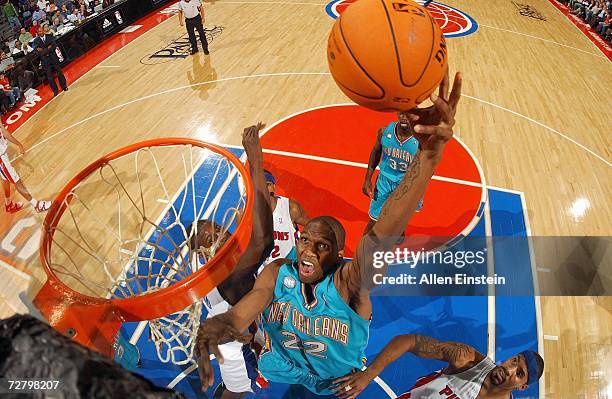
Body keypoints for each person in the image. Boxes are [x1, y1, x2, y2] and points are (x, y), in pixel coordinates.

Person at [196, 73, 463, 396]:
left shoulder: (349, 284)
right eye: (305, 240)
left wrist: (429, 157)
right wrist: (221, 326)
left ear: (339, 256)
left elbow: (382, 236)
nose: (308, 250)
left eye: (321, 246)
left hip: (334, 384)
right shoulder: (278, 272)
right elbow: (243, 311)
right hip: (280, 365)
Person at [332, 334, 544, 399]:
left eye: (519, 374)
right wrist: (369, 374)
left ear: (522, 386)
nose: (509, 370)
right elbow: (410, 341)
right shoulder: (467, 360)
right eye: (514, 361)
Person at [362, 110, 423, 236]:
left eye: (408, 113)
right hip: (385, 180)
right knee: (373, 220)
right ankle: (363, 248)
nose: (404, 116)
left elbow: (428, 167)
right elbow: (375, 152)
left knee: (401, 213)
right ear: (397, 112)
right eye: (402, 112)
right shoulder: (384, 132)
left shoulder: (421, 140)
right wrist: (368, 178)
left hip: (407, 183)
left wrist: (417, 187)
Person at [261, 169, 310, 264]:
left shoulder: (290, 208)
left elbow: (315, 227)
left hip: (290, 266)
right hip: (263, 270)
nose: (264, 189)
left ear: (273, 187)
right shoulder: (246, 214)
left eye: (267, 185)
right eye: (259, 186)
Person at [0, 123, 52, 212]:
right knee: (16, 179)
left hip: (2, 153)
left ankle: (8, 204)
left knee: (5, 178)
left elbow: (3, 130)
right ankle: (36, 204)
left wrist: (19, 144)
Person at [32, 25, 68, 96]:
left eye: (41, 30)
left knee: (59, 72)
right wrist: (48, 48)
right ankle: (55, 91)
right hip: (45, 61)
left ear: (43, 30)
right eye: (39, 31)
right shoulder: (36, 41)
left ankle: (64, 86)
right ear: (37, 33)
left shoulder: (50, 36)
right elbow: (37, 51)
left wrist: (43, 50)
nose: (40, 32)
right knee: (50, 77)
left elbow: (54, 46)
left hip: (53, 58)